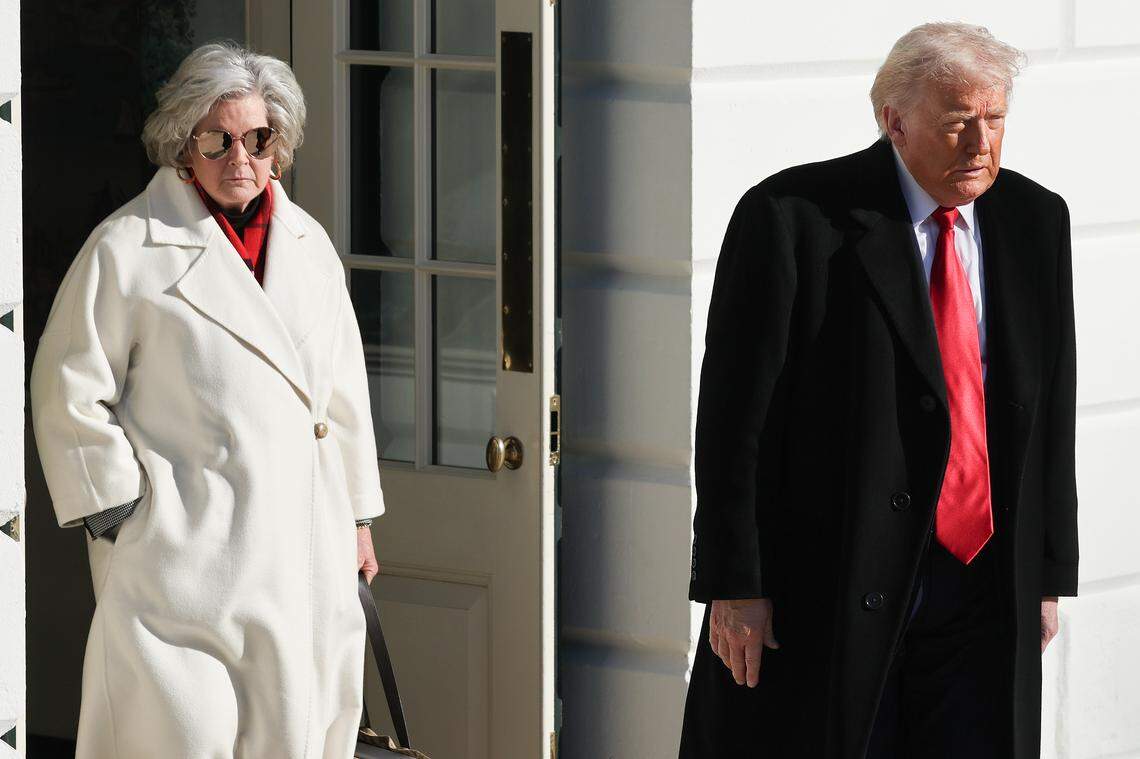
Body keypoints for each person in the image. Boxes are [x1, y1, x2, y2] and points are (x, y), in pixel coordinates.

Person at [679, 22, 1077, 759]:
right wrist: (735, 584)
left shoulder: (1034, 219)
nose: (981, 145)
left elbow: (1049, 411)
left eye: (996, 121)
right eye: (959, 122)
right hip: (835, 578)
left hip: (984, 582)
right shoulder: (792, 218)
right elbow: (736, 420)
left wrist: (1048, 574)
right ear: (893, 120)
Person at [29, 41, 385, 758]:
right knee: (178, 736)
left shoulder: (311, 247)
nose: (240, 157)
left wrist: (357, 518)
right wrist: (122, 515)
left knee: (302, 726)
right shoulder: (128, 247)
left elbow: (342, 395)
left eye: (258, 138)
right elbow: (66, 384)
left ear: (278, 145)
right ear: (182, 145)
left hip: (303, 557)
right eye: (217, 138)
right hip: (184, 569)